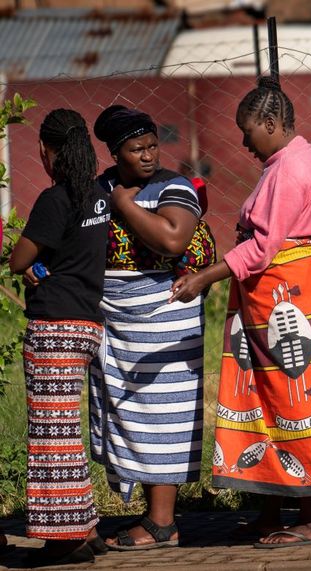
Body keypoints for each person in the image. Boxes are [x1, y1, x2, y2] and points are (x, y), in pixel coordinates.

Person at [170, 76, 311, 548]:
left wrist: (206, 276)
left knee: (298, 402)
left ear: (271, 123)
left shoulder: (291, 169)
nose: (244, 142)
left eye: (248, 132)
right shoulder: (289, 161)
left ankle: (310, 516)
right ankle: (272, 507)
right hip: (272, 297)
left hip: (290, 297)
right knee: (268, 401)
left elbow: (266, 245)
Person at [89, 105, 206, 550]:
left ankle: (163, 523)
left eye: (153, 145)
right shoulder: (99, 187)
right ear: (116, 153)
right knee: (123, 411)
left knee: (164, 414)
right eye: (136, 149)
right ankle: (152, 517)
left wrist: (123, 203)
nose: (148, 155)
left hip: (166, 318)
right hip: (114, 322)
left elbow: (172, 238)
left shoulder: (173, 185)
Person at [9, 109, 110, 566]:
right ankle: (85, 527)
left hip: (54, 327)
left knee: (52, 436)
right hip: (86, 324)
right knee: (68, 431)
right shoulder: (99, 197)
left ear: (50, 152)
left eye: (43, 151)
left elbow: (17, 259)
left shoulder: (54, 199)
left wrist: (27, 259)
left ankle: (62, 540)